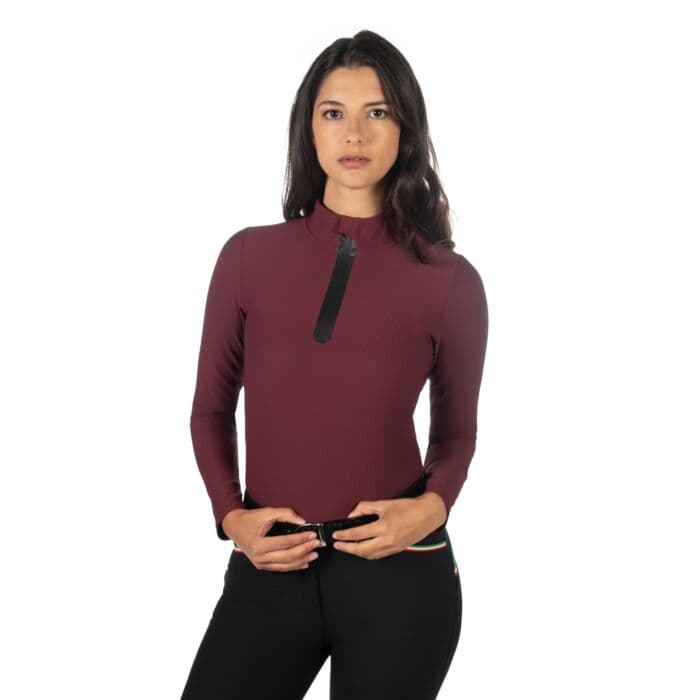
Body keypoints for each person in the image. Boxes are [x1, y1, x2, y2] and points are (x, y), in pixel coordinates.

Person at [180, 29, 489, 700]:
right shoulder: (247, 258)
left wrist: (430, 509)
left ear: (405, 129)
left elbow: (456, 432)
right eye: (333, 112)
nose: (355, 132)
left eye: (378, 111)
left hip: (399, 577)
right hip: (270, 567)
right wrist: (231, 516)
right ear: (309, 130)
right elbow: (210, 409)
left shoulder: (449, 281)